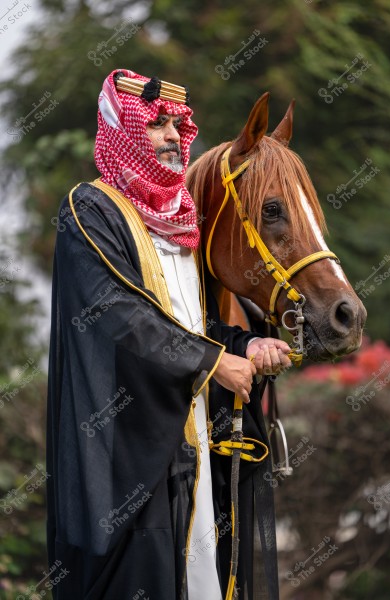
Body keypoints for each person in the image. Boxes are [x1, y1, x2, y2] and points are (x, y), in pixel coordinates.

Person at [46, 68, 292, 600]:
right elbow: (121, 317)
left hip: (193, 444)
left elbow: (190, 324)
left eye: (178, 125)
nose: (173, 137)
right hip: (126, 455)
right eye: (156, 124)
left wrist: (244, 344)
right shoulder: (90, 210)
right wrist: (212, 363)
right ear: (122, 127)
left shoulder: (180, 222)